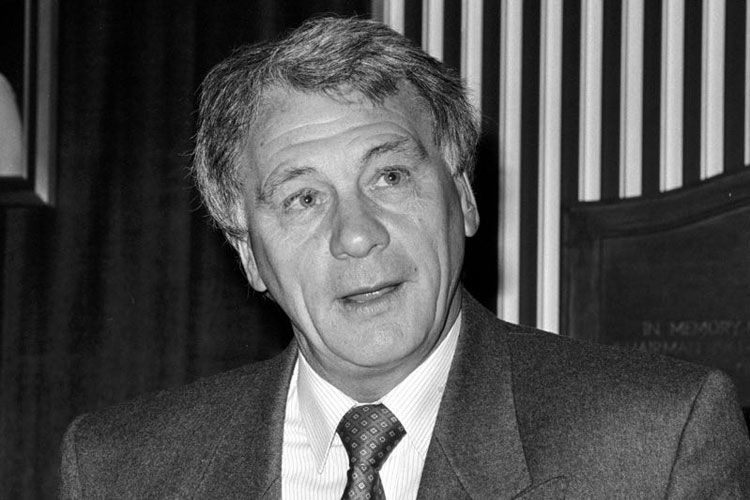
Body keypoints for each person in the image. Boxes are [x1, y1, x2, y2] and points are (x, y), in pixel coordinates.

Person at [60, 16, 750, 499]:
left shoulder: (658, 441)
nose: (356, 235)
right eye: (303, 198)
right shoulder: (117, 471)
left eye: (389, 176)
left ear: (464, 197)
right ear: (248, 253)